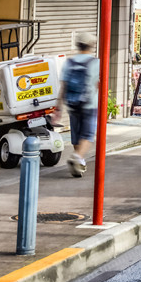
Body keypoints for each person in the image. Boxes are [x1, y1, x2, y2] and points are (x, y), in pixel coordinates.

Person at [62, 32, 99, 178]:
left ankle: (78, 165)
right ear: (91, 45)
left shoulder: (69, 62)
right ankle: (77, 157)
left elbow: (64, 85)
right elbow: (98, 84)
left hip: (72, 103)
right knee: (88, 135)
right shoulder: (94, 62)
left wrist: (59, 107)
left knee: (76, 135)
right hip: (89, 104)